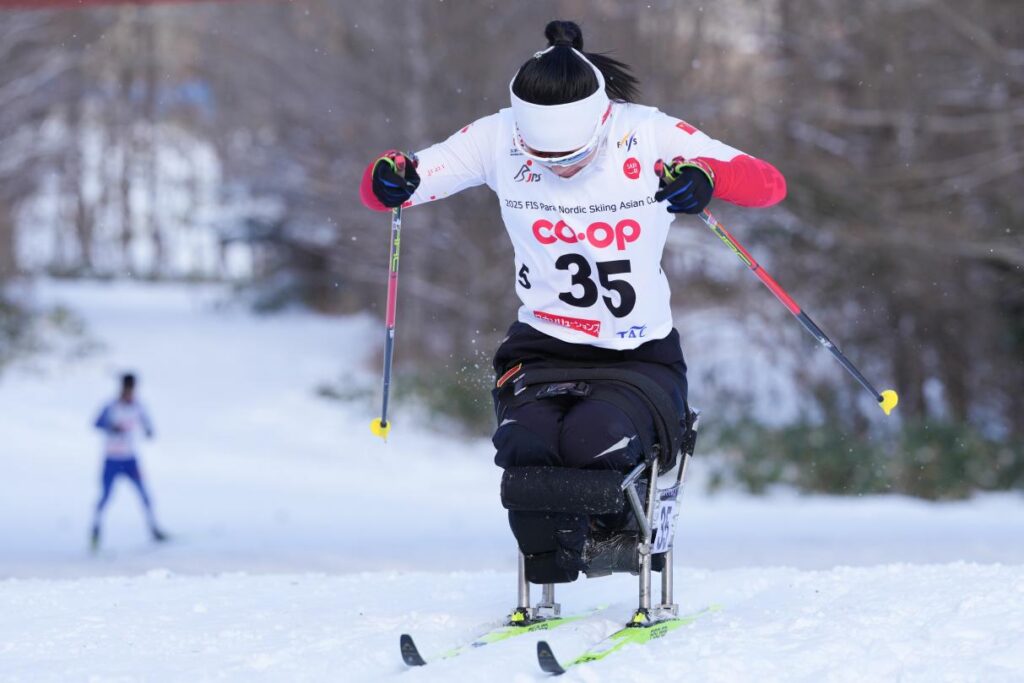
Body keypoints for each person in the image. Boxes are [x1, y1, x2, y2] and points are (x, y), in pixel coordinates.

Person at [360, 20, 785, 581]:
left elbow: (767, 183)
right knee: (524, 447)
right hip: (542, 345)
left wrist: (703, 178)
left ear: (603, 118)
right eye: (544, 158)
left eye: (574, 156)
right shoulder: (498, 137)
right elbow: (394, 183)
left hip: (636, 351)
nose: (560, 169)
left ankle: (621, 544)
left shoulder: (647, 134)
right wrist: (391, 178)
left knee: (594, 442)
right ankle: (549, 569)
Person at [90, 372, 167, 550]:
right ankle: (95, 529)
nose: (129, 393)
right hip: (112, 459)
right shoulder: (111, 406)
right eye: (127, 389)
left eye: (132, 389)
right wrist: (112, 427)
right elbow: (96, 423)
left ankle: (154, 528)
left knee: (144, 493)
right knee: (106, 496)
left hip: (130, 459)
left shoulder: (139, 406)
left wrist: (148, 430)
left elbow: (148, 425)